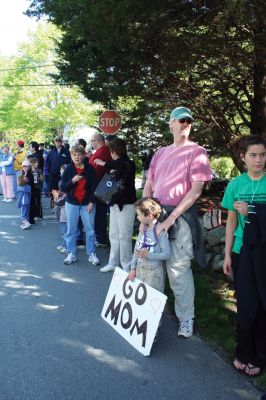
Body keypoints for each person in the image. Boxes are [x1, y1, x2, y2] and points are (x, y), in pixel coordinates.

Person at [143, 106, 212, 338]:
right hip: (155, 217)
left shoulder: (197, 152)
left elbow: (196, 191)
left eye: (189, 121)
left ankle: (186, 319)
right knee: (154, 269)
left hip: (180, 219)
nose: (185, 124)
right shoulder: (160, 152)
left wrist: (170, 219)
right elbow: (149, 184)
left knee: (177, 270)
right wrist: (145, 216)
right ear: (171, 124)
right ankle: (153, 317)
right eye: (180, 120)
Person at [222, 135, 266, 377]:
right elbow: (230, 222)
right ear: (243, 157)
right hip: (242, 251)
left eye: (262, 155)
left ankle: (259, 356)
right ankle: (243, 351)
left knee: (263, 305)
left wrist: (252, 210)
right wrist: (227, 254)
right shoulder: (235, 185)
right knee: (247, 305)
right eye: (253, 155)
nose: (258, 160)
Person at [94, 137, 137, 272]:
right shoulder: (116, 164)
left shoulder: (128, 163)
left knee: (124, 236)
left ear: (115, 150)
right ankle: (113, 262)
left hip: (126, 205)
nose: (110, 154)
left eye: (111, 150)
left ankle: (127, 266)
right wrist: (109, 168)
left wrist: (104, 164)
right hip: (114, 203)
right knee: (113, 234)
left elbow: (122, 165)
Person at [60, 145, 99, 266]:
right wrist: (73, 180)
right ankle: (71, 253)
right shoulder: (68, 169)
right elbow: (63, 187)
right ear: (71, 156)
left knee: (90, 230)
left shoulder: (90, 169)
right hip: (72, 203)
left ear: (83, 155)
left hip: (87, 204)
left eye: (79, 154)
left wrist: (92, 202)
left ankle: (91, 254)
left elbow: (95, 188)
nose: (77, 157)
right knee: (71, 230)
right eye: (74, 154)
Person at [127, 197, 170, 293]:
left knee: (152, 300)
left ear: (150, 216)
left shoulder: (160, 232)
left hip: (154, 272)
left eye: (139, 215)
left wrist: (148, 255)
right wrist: (133, 268)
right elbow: (136, 249)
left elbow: (167, 254)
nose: (137, 217)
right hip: (140, 269)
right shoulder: (143, 228)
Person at [89, 132, 112, 247]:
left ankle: (101, 238)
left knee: (100, 214)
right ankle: (101, 237)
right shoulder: (101, 151)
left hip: (100, 188)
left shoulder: (102, 152)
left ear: (97, 141)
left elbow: (97, 171)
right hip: (101, 187)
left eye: (92, 141)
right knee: (100, 214)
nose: (91, 143)